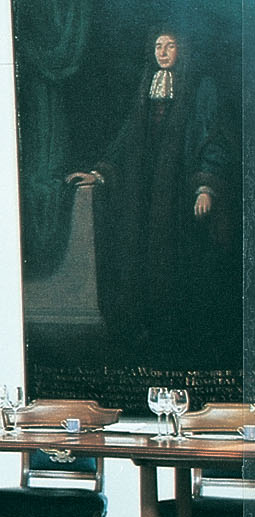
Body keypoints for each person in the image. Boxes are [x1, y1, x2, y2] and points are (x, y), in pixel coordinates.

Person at [67, 30, 233, 364]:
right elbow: (127, 139)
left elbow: (211, 138)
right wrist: (100, 173)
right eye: (158, 45)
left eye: (170, 45)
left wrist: (205, 186)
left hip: (179, 193)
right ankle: (145, 333)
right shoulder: (147, 86)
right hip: (145, 193)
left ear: (181, 49)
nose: (163, 51)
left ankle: (177, 337)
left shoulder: (200, 89)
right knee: (143, 258)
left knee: (177, 261)